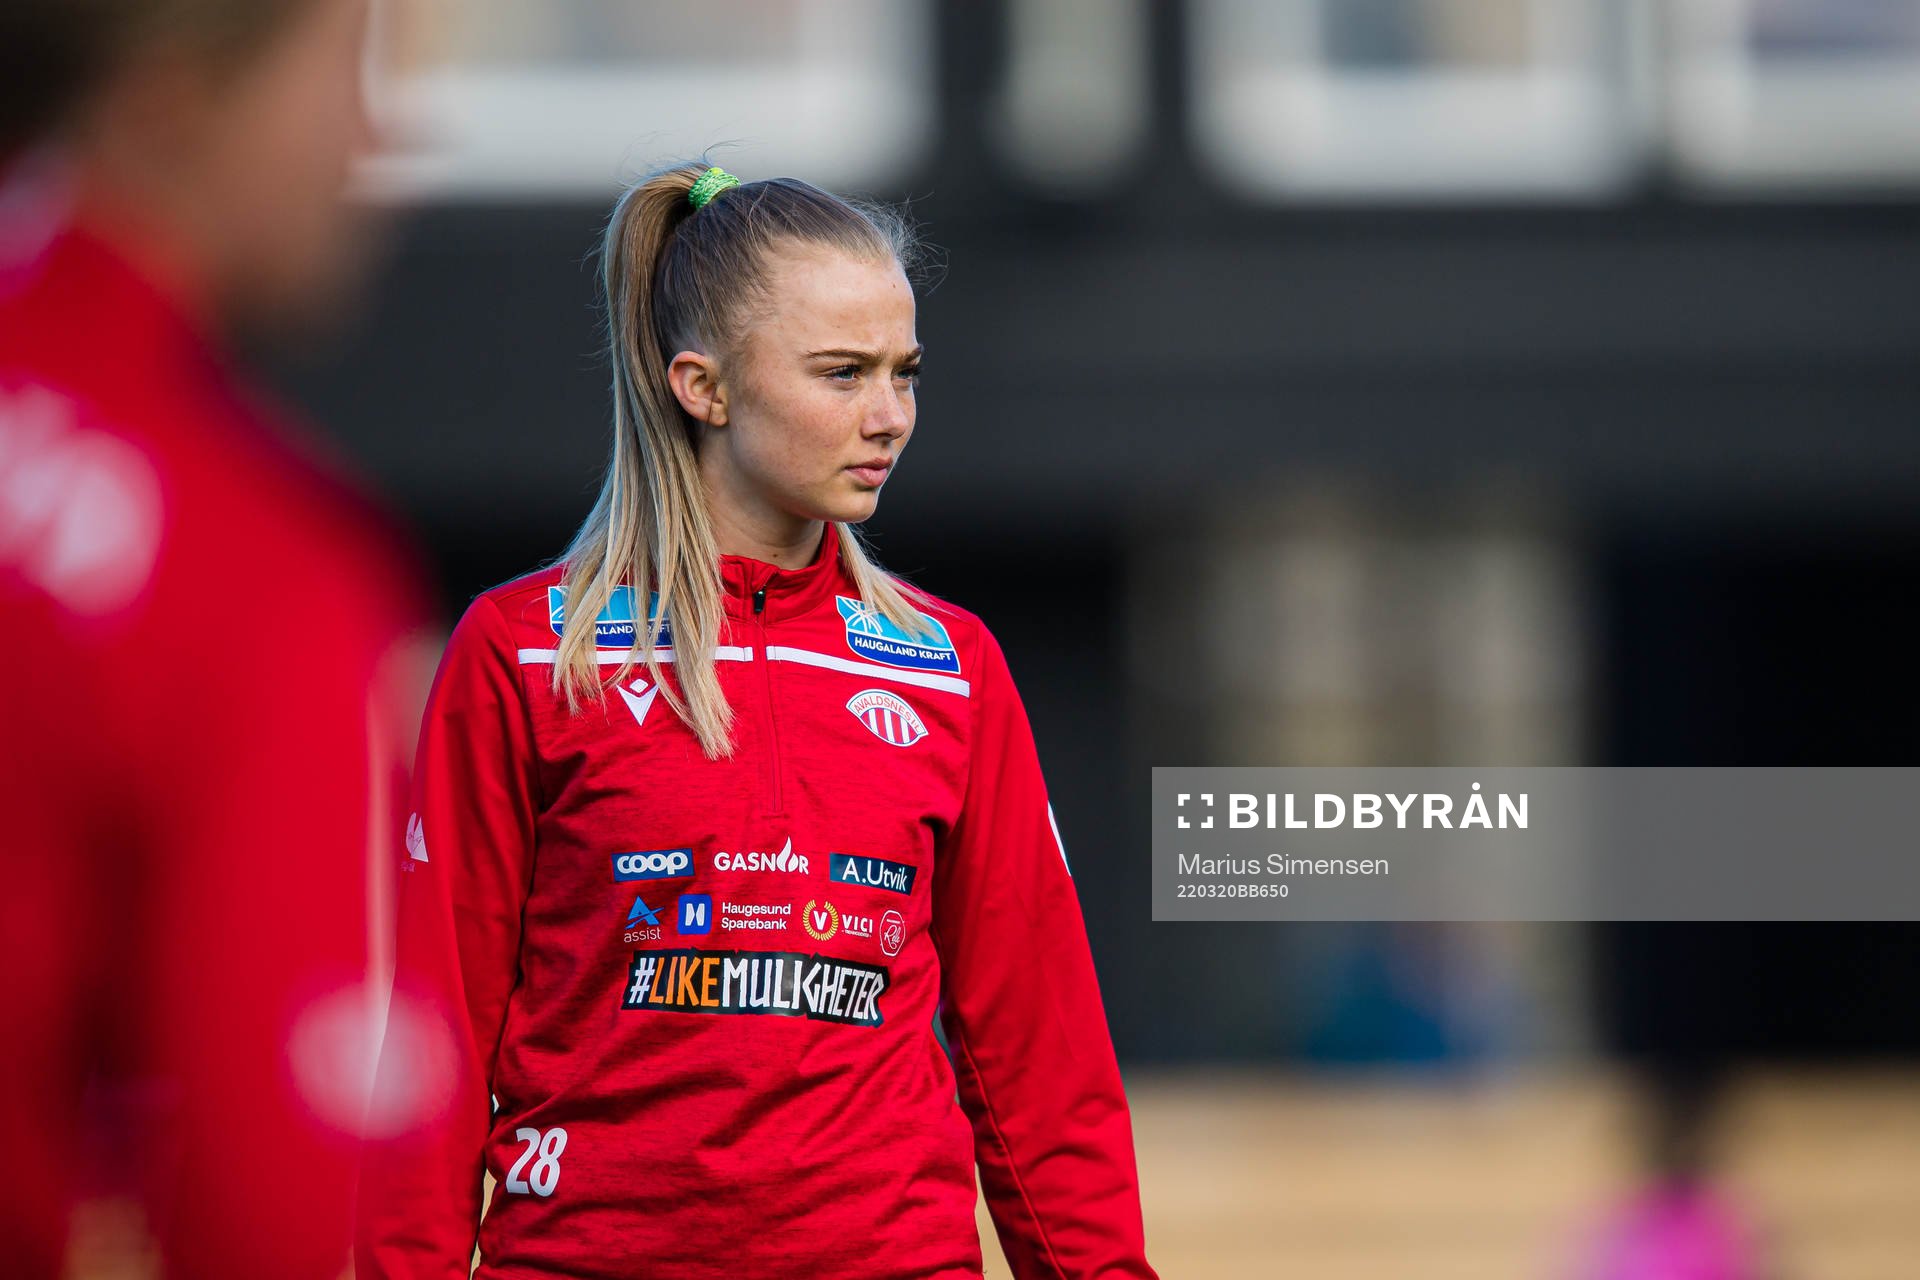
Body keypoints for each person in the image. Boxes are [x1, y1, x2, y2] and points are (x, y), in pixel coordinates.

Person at [355, 163, 1157, 1279]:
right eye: (843, 373)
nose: (889, 417)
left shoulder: (953, 668)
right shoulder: (525, 654)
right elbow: (430, 1057)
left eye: (904, 373)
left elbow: (1040, 1067)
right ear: (703, 385)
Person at [0, 2, 434, 1275]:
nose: (369, 139)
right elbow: (298, 1222)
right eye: (346, 67)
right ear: (165, 100)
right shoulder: (250, 570)